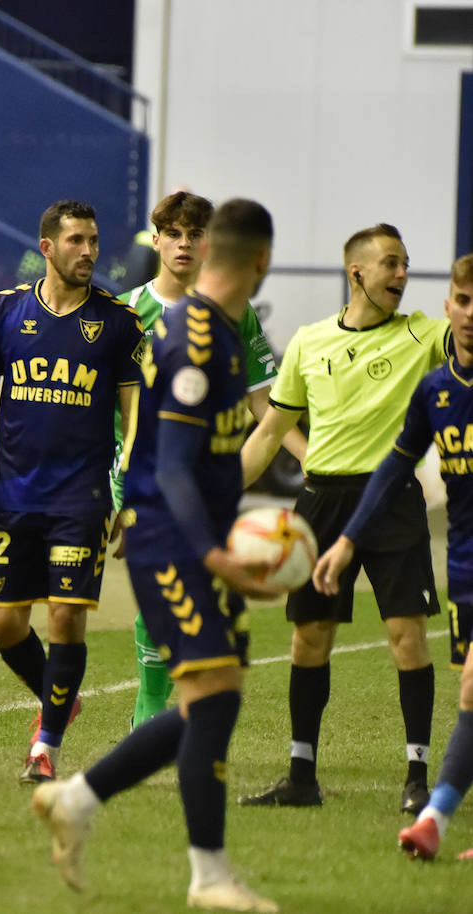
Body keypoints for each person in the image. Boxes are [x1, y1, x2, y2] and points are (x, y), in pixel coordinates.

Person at [33, 199, 285, 913]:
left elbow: (215, 462)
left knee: (217, 698)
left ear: (211, 250)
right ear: (259, 261)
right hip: (170, 543)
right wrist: (216, 554)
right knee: (211, 697)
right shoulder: (194, 336)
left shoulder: (231, 336)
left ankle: (78, 799)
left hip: (195, 541)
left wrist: (238, 543)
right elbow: (172, 466)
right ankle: (208, 876)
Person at [237, 223, 444, 814]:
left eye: (405, 265)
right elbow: (271, 431)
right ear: (358, 273)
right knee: (309, 638)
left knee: (406, 636)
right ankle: (301, 776)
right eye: (391, 265)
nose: (402, 276)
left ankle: (417, 777)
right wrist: (216, 493)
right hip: (321, 502)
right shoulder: (308, 342)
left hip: (393, 500)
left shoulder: (424, 336)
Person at [0, 199, 144, 783]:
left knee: (65, 617)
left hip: (80, 500)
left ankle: (48, 747)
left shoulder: (117, 323)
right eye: (76, 241)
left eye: (93, 240)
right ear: (47, 248)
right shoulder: (4, 313)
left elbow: (135, 414)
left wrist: (129, 492)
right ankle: (60, 694)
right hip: (14, 497)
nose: (88, 252)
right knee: (4, 625)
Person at [113, 191, 308, 728]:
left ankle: (172, 715)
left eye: (194, 234)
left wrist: (310, 457)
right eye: (172, 234)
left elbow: (262, 404)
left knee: (195, 611)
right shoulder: (128, 312)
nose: (183, 244)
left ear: (209, 244)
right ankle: (142, 706)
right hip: (139, 471)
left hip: (205, 477)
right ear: (155, 241)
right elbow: (110, 405)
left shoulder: (234, 317)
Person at [312, 253, 473, 860]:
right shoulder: (435, 391)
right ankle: (436, 818)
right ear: (448, 306)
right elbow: (395, 468)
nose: (471, 314)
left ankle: (433, 818)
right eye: (463, 300)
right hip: (465, 570)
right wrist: (349, 539)